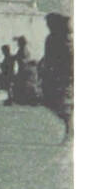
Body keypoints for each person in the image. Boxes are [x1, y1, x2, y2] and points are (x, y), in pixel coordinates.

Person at [41, 13, 72, 142]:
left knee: (60, 102)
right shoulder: (52, 38)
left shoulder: (61, 39)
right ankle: (70, 126)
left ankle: (70, 128)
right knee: (54, 102)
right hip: (55, 75)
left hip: (61, 75)